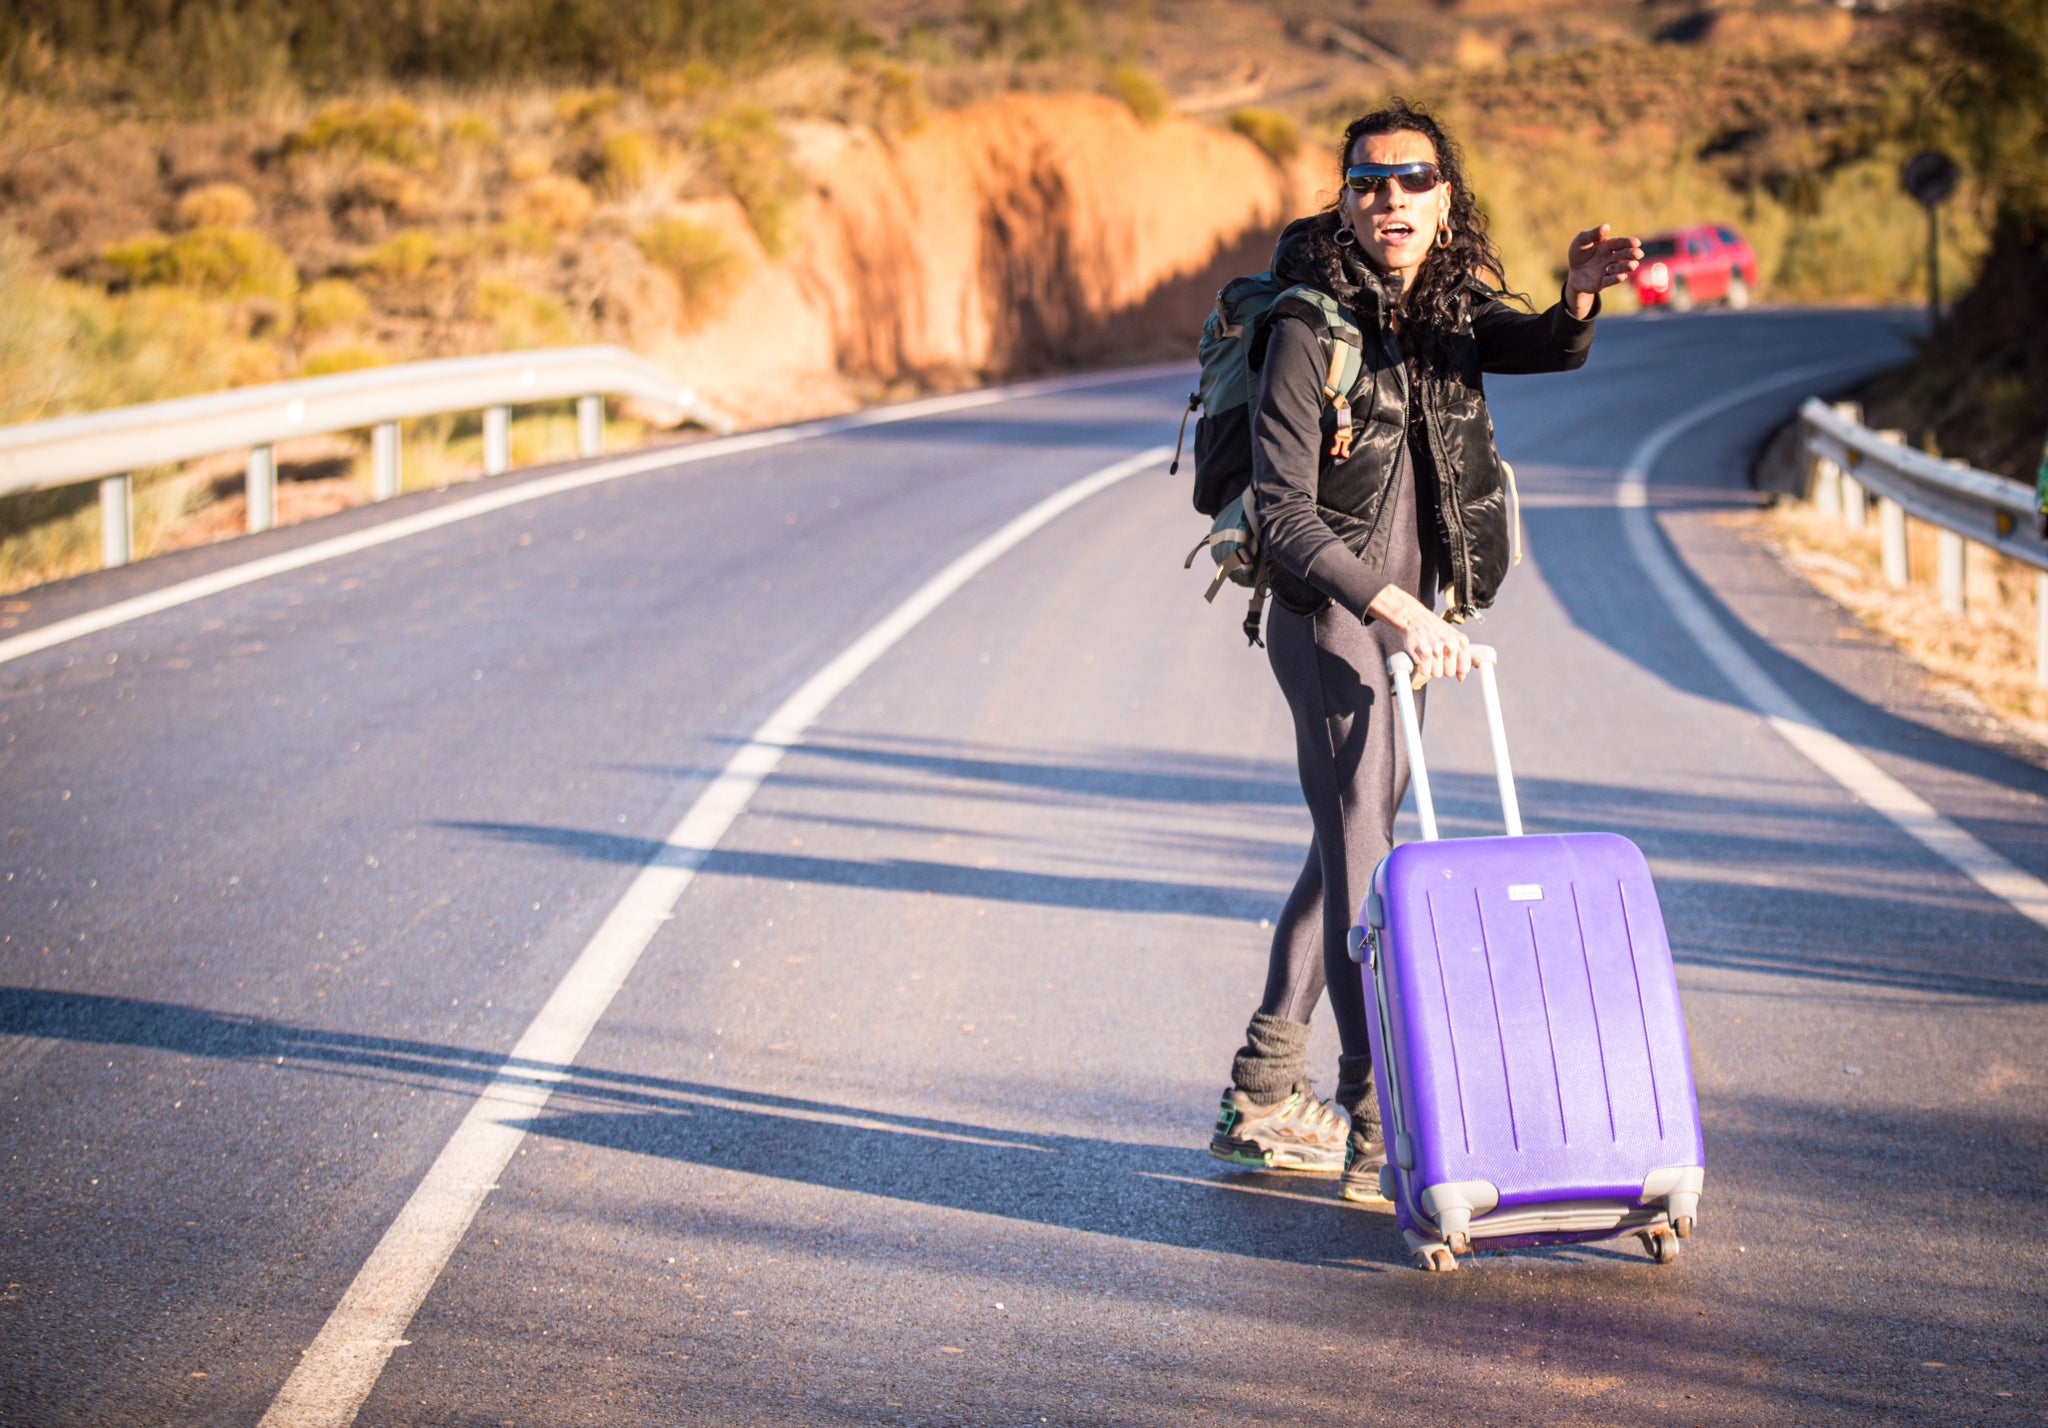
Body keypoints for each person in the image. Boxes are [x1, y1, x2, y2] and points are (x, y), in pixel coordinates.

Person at [1206, 101, 1642, 1201]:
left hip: (1408, 623)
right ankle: (1369, 1118)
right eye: (1366, 182)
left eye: (1410, 180)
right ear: (1342, 199)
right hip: (1331, 619)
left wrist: (1578, 296)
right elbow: (1283, 515)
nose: (1387, 198)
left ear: (1444, 198)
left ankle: (1261, 1089)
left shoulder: (1441, 311)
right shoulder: (1309, 327)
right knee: (1364, 849)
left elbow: (1541, 346)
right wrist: (1396, 609)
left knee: (1353, 838)